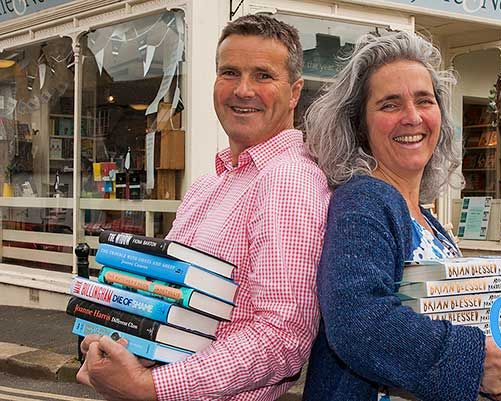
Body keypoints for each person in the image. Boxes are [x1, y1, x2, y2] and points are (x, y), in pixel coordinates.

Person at [76, 14, 330, 401]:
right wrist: (118, 340)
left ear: (294, 92)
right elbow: (166, 296)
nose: (243, 90)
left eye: (263, 75)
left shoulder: (288, 179)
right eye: (229, 72)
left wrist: (151, 387)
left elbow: (284, 335)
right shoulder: (209, 182)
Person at [301, 31, 501, 401]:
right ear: (360, 124)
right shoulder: (364, 200)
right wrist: (476, 363)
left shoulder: (427, 218)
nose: (412, 117)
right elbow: (357, 320)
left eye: (424, 100)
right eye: (390, 104)